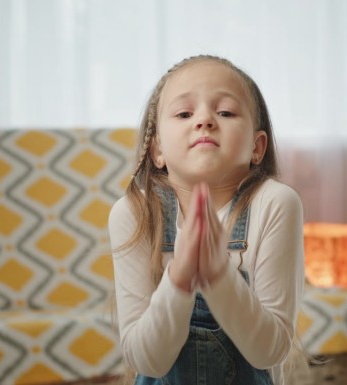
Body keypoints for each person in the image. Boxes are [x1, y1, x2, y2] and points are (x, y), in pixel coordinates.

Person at [108, 55, 305, 385]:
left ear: (257, 147)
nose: (204, 120)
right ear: (157, 149)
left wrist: (218, 276)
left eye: (225, 112)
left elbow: (271, 351)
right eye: (184, 113)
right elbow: (145, 360)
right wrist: (180, 280)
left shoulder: (275, 204)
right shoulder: (134, 213)